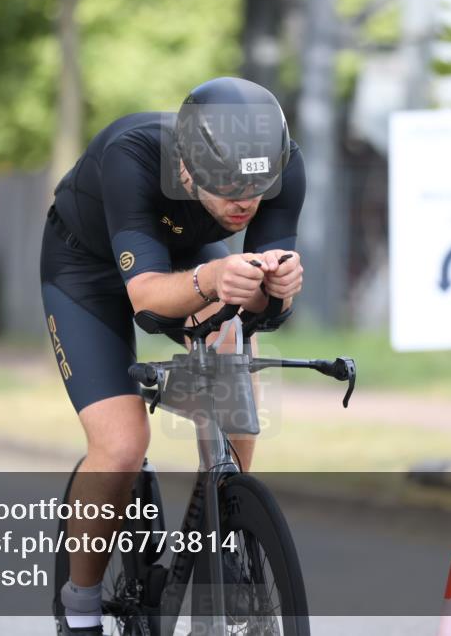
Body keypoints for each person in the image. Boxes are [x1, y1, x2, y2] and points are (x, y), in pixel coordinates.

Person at [41, 76, 305, 634]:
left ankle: (229, 527)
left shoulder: (279, 166)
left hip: (183, 254)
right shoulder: (131, 156)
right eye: (226, 185)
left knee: (235, 367)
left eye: (256, 188)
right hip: (86, 269)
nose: (245, 202)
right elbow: (146, 300)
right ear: (185, 170)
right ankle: (81, 605)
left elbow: (260, 306)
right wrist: (212, 277)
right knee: (121, 444)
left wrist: (276, 287)